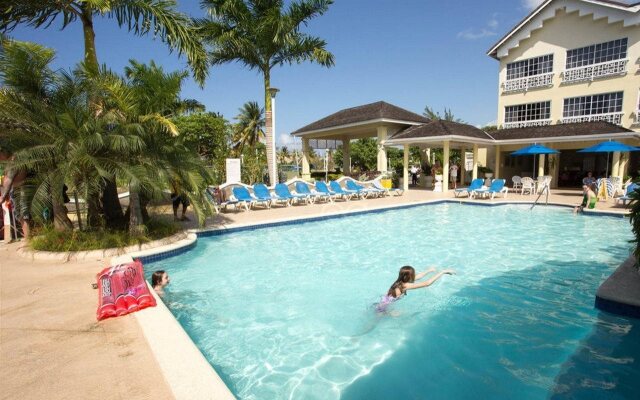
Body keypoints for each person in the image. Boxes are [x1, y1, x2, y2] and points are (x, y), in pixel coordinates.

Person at [376, 266, 455, 312]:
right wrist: (442, 272)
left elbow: (418, 277)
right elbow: (427, 283)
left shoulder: (400, 281)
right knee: (371, 327)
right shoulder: (405, 285)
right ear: (408, 277)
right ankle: (388, 314)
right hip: (383, 307)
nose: (415, 275)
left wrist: (429, 270)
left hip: (383, 301)